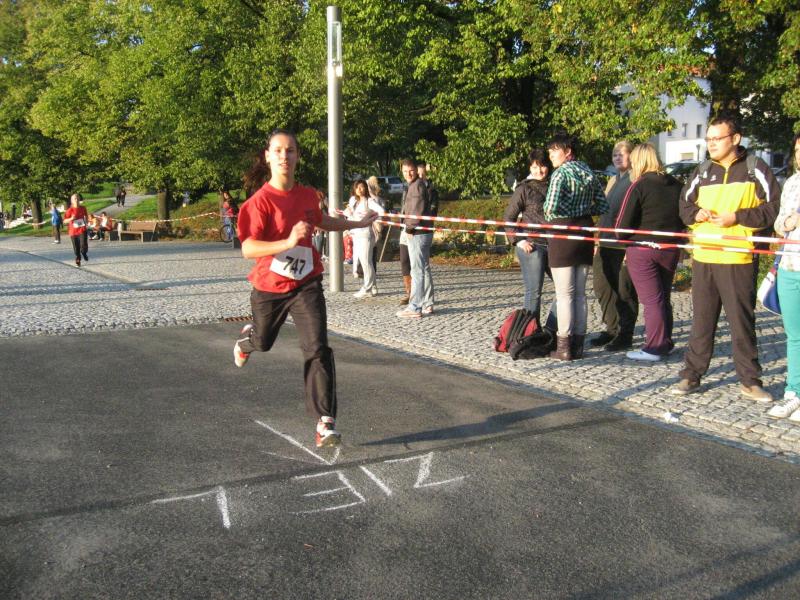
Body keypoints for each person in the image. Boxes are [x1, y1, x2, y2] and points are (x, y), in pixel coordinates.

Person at [232, 129, 377, 448]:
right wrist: (287, 241)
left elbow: (322, 221)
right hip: (270, 287)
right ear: (267, 156)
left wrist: (356, 224)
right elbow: (248, 248)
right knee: (264, 341)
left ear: (298, 156)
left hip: (306, 283)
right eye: (278, 150)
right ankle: (247, 341)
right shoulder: (259, 203)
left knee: (317, 347)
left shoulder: (308, 195)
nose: (284, 156)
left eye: (290, 150)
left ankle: (325, 421)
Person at [672, 116, 781, 400]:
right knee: (702, 322)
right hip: (704, 256)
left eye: (716, 138)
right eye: (708, 139)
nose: (711, 144)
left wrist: (738, 217)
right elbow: (683, 204)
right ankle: (691, 375)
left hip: (738, 258)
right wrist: (695, 213)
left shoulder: (755, 168)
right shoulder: (702, 171)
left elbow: (773, 208)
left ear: (735, 139)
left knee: (741, 323)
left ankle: (750, 380)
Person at [614, 143, 684, 361]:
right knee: (664, 297)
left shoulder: (639, 186)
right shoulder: (677, 185)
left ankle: (654, 347)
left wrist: (622, 238)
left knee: (652, 300)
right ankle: (666, 342)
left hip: (642, 249)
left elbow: (622, 225)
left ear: (639, 161)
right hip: (670, 248)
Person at [543, 133, 609, 360]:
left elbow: (549, 208)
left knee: (564, 295)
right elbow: (603, 205)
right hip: (584, 232)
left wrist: (565, 213)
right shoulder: (588, 171)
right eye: (550, 151)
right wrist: (583, 211)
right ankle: (578, 345)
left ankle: (564, 347)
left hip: (563, 234)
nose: (551, 155)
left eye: (554, 150)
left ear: (568, 151)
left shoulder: (560, 174)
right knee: (580, 294)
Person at [591, 140, 639, 351]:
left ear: (632, 156)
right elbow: (605, 211)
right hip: (606, 241)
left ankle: (625, 333)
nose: (617, 158)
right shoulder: (613, 180)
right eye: (614, 155)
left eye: (622, 154)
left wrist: (632, 246)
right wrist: (598, 238)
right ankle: (611, 328)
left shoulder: (636, 178)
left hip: (624, 245)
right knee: (603, 286)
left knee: (624, 290)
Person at [503, 149, 557, 326]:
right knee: (534, 292)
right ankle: (530, 332)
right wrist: (519, 240)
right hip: (532, 245)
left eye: (542, 166)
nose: (539, 171)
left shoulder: (555, 185)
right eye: (534, 167)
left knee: (564, 290)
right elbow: (509, 217)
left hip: (554, 244)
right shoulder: (524, 189)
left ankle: (551, 329)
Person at [768, 132, 800, 421]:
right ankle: (794, 392)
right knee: (794, 335)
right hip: (790, 266)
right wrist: (787, 222)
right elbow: (778, 223)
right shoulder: (791, 183)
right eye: (798, 149)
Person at [396, 159, 435, 318]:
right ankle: (427, 303)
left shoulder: (417, 185)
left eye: (411, 170)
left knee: (417, 271)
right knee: (423, 268)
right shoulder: (414, 185)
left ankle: (415, 307)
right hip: (422, 231)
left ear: (416, 170)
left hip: (417, 232)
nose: (408, 174)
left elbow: (416, 209)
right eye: (405, 171)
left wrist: (410, 228)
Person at [348, 179, 385, 298]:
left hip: (366, 235)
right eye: (357, 187)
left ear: (366, 188)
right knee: (364, 261)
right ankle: (373, 286)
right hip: (357, 234)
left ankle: (367, 287)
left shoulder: (369, 201)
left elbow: (381, 211)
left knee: (366, 262)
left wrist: (371, 217)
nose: (359, 189)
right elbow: (351, 216)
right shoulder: (355, 201)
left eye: (362, 187)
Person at [63, 193, 89, 267]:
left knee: (83, 244)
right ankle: (78, 259)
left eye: (77, 198)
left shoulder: (83, 208)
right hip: (73, 231)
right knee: (76, 247)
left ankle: (84, 253)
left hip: (82, 229)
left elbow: (86, 216)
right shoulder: (69, 210)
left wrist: (86, 222)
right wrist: (71, 218)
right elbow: (64, 221)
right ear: (72, 201)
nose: (76, 199)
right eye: (75, 198)